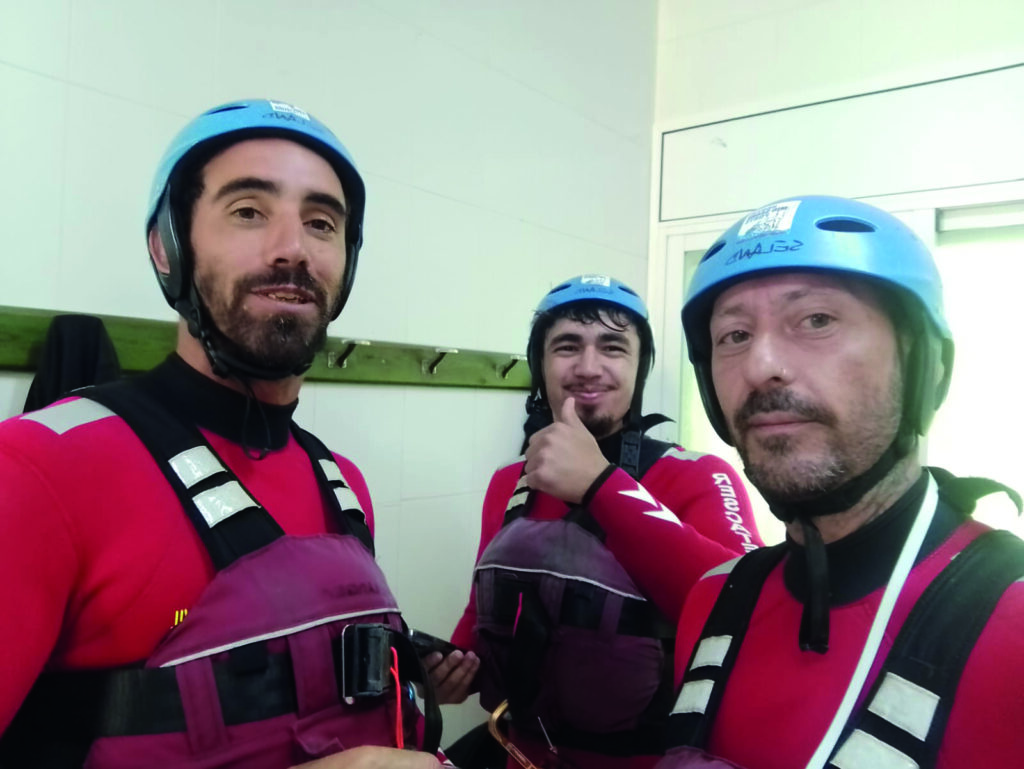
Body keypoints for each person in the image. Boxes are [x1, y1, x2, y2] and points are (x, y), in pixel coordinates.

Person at [0, 99, 444, 769]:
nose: (293, 248)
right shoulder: (41, 469)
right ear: (166, 247)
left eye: (321, 222)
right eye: (248, 211)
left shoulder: (343, 484)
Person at [573, 197, 1024, 769]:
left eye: (817, 320)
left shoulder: (1013, 621)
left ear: (925, 365)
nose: (761, 366)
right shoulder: (715, 600)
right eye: (735, 334)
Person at [430, 275, 761, 769]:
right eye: (567, 346)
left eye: (612, 347)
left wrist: (603, 487)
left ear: (638, 368)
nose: (588, 367)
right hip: (521, 753)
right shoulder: (510, 483)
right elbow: (483, 612)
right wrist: (456, 665)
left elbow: (747, 616)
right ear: (541, 366)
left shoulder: (701, 475)